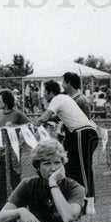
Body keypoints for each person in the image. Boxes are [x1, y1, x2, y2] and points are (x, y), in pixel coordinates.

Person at [36, 80, 99, 214]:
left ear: (51, 92)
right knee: (72, 168)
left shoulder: (57, 99)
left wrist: (34, 124)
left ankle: (90, 205)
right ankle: (77, 202)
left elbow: (45, 116)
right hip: (79, 134)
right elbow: (56, 117)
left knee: (84, 170)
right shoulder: (64, 99)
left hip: (84, 133)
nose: (44, 97)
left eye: (45, 94)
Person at [0, 89, 31, 209]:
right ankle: (3, 210)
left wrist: (16, 127)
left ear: (6, 101)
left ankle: (21, 207)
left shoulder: (17, 114)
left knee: (15, 182)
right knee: (1, 185)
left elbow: (30, 126)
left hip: (12, 154)